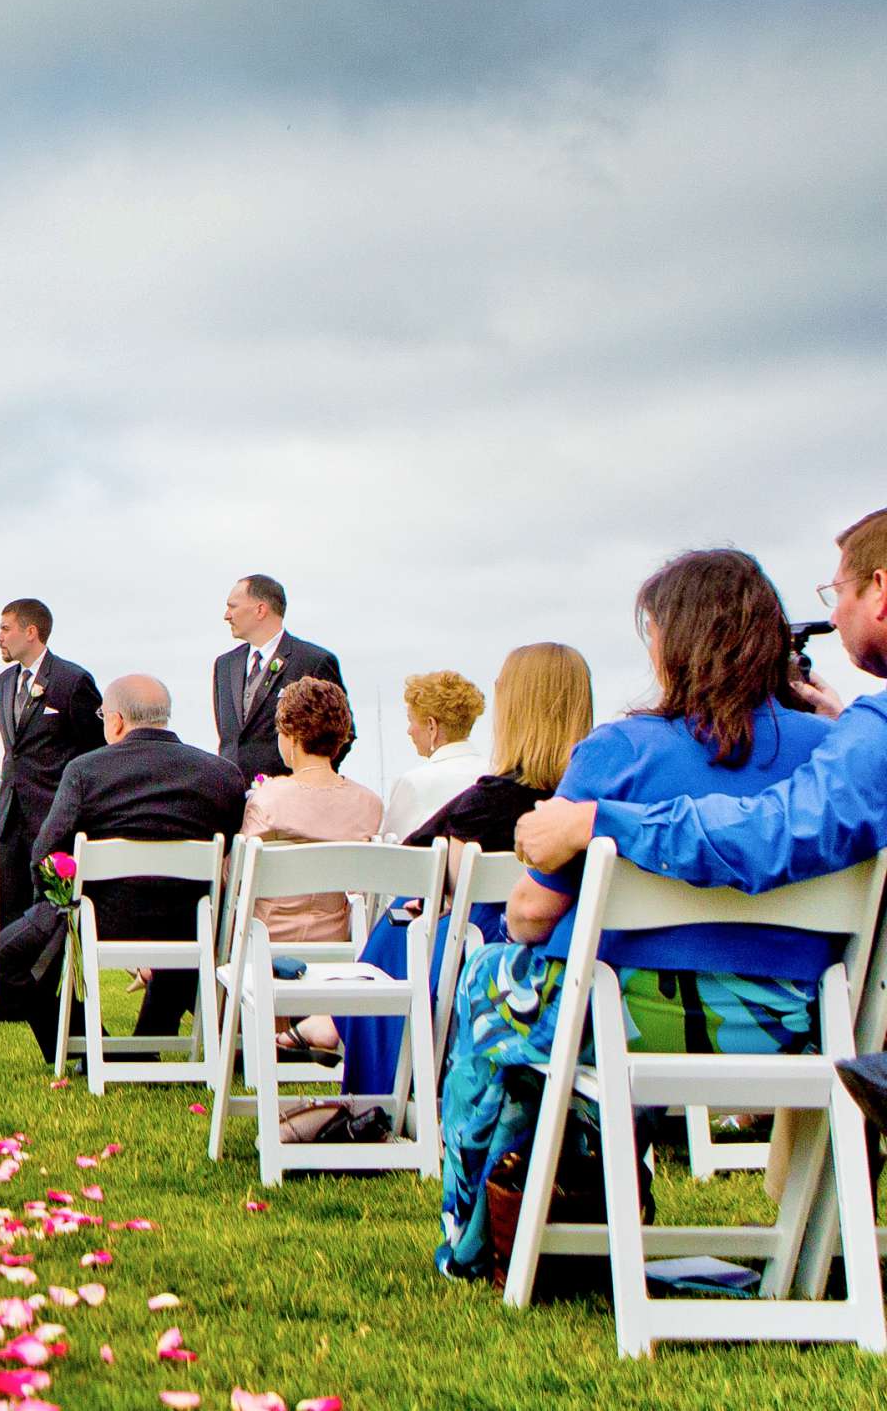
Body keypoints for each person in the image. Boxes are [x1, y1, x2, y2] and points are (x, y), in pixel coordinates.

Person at [438, 548, 835, 1280]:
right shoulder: (834, 752)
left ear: (674, 642)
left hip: (632, 1024)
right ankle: (561, 1198)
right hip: (798, 1027)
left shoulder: (620, 751)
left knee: (496, 982)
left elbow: (528, 914)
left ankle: (481, 1230)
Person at [515, 505, 887, 893]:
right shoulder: (844, 737)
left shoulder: (618, 749)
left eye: (838, 592)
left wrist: (594, 822)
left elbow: (770, 836)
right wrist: (847, 734)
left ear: (879, 589)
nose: (835, 618)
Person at [296, 644, 594, 1089]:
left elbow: (419, 864)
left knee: (409, 915)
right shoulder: (594, 803)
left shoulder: (485, 805)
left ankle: (352, 1048)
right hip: (587, 960)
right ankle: (334, 1025)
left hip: (486, 961)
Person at [25, 674, 246, 1062]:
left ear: (116, 720)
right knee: (183, 930)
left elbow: (45, 854)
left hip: (106, 920)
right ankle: (143, 1046)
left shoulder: (85, 771)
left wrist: (52, 911)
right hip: (195, 921)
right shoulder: (222, 773)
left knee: (13, 952)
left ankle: (98, 1050)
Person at [0, 598, 106, 1024]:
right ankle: (9, 1004)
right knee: (11, 909)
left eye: (5, 628)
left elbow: (95, 750)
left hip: (55, 818)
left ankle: (52, 1000)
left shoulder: (73, 681)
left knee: (52, 912)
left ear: (30, 631)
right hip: (11, 816)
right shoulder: (1, 684)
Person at [240, 677, 380, 946]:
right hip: (337, 939)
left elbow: (239, 874)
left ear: (292, 736)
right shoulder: (369, 804)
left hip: (265, 940)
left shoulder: (269, 798)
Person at [213, 574, 351, 781]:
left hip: (293, 800)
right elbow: (229, 739)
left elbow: (342, 733)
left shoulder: (314, 661)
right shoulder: (225, 665)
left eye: (233, 606)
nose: (226, 615)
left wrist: (308, 781)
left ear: (260, 609)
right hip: (233, 799)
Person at [380, 671, 489, 841]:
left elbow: (392, 851)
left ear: (432, 725)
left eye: (411, 720)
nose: (409, 731)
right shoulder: (496, 774)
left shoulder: (414, 783)